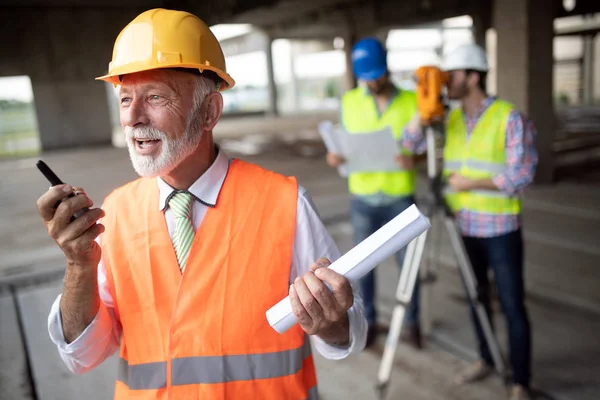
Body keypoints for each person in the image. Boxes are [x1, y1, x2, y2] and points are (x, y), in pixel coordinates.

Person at [37, 8, 367, 399]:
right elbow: (83, 355)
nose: (133, 118)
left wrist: (330, 322)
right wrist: (79, 266)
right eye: (125, 99)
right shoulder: (117, 213)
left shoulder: (283, 202)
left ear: (209, 112)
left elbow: (349, 332)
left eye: (155, 96)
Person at [401, 43, 537, 400]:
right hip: (464, 226)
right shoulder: (452, 117)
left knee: (511, 304)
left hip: (500, 228)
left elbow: (522, 175)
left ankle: (520, 381)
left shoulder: (510, 117)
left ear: (473, 77)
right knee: (476, 298)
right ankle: (486, 358)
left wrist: (471, 183)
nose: (446, 82)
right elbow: (409, 142)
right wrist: (423, 108)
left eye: (453, 75)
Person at [326, 37, 422, 349]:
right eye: (367, 77)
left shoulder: (412, 102)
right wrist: (335, 156)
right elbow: (343, 145)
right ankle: (367, 322)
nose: (373, 81)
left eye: (377, 75)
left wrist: (415, 159)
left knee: (410, 268)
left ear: (387, 68)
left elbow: (427, 149)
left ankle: (413, 323)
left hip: (399, 197)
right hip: (363, 198)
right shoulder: (350, 101)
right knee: (362, 271)